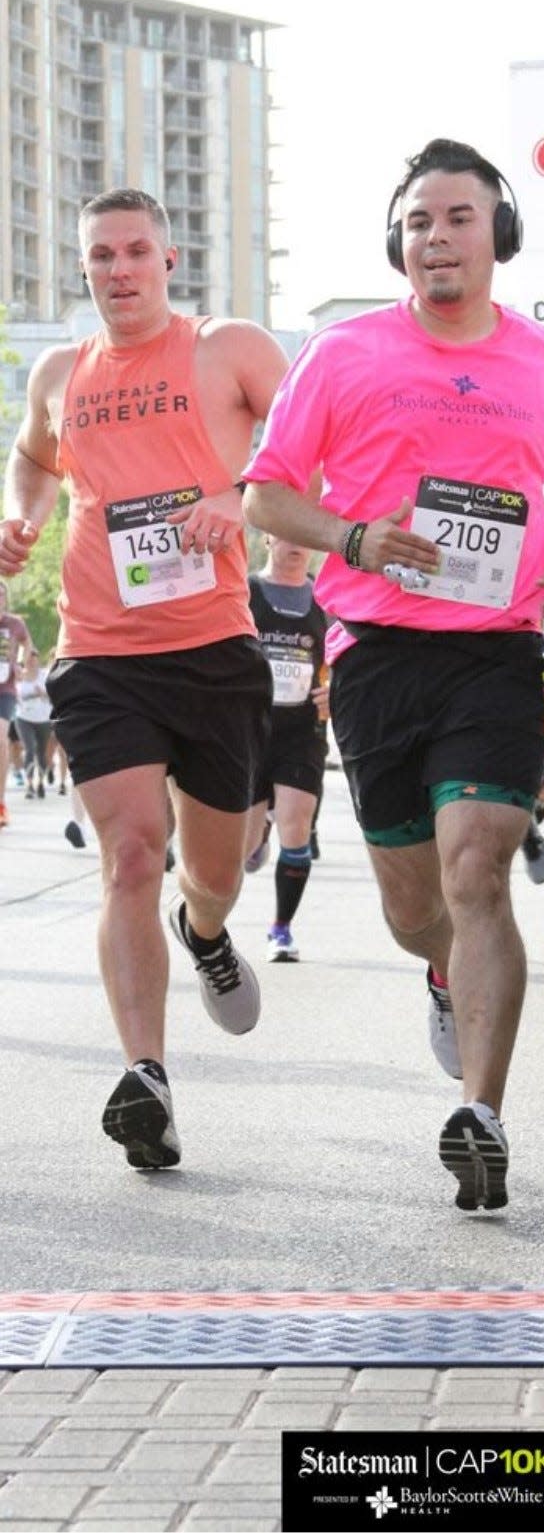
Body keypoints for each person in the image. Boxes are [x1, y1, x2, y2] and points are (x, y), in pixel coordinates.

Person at [241, 138, 544, 1212]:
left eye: (457, 217)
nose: (436, 238)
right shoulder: (343, 352)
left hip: (495, 651)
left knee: (478, 868)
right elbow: (267, 495)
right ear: (396, 243)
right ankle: (444, 974)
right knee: (418, 907)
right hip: (375, 656)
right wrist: (354, 540)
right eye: (417, 222)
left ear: (498, 233)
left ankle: (484, 1117)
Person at [0, 187, 288, 1171]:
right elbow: (33, 461)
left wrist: (234, 494)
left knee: (213, 869)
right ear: (82, 269)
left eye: (135, 251)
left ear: (171, 259)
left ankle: (204, 931)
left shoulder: (229, 348)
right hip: (100, 650)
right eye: (99, 256)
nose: (117, 270)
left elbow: (311, 450)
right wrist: (23, 516)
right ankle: (148, 1080)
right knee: (128, 851)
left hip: (213, 646)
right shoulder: (59, 372)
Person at [246, 536, 329, 962]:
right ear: (267, 538)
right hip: (250, 730)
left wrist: (339, 693)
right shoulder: (247, 593)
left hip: (303, 731)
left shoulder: (326, 598)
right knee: (241, 850)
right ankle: (256, 832)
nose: (297, 545)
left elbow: (348, 656)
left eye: (304, 537)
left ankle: (281, 928)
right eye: (286, 535)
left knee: (296, 827)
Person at [0, 582, 32, 826]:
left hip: (5, 688)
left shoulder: (14, 623)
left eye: (1, 595)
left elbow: (26, 644)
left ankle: (1, 804)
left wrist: (20, 664)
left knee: (1, 737)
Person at [15, 647, 52, 798]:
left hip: (43, 719)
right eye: (28, 657)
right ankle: (29, 785)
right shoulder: (19, 677)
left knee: (41, 752)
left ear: (38, 659)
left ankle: (40, 783)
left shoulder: (45, 676)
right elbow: (14, 696)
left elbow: (54, 695)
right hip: (23, 718)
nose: (31, 659)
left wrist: (43, 693)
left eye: (34, 656)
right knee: (30, 748)